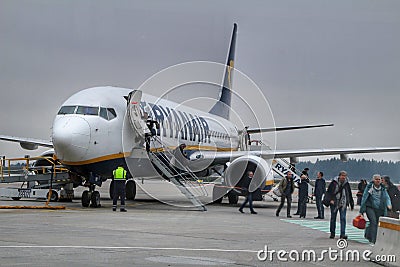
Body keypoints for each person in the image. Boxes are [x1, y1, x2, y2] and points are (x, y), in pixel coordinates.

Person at [359, 174, 392, 244]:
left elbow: (387, 197)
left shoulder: (383, 189)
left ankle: (368, 234)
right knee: (373, 222)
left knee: (377, 223)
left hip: (379, 209)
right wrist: (361, 210)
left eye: (379, 179)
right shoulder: (369, 188)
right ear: (373, 180)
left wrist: (389, 204)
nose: (377, 180)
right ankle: (374, 240)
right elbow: (364, 198)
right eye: (376, 179)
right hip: (370, 207)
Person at [327, 171, 354, 239]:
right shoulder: (334, 183)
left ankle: (342, 234)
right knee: (333, 218)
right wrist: (330, 200)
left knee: (343, 218)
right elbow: (329, 192)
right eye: (342, 175)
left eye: (345, 176)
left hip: (343, 203)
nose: (343, 177)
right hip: (334, 203)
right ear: (339, 176)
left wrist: (351, 203)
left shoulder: (346, 184)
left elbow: (349, 193)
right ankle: (332, 233)